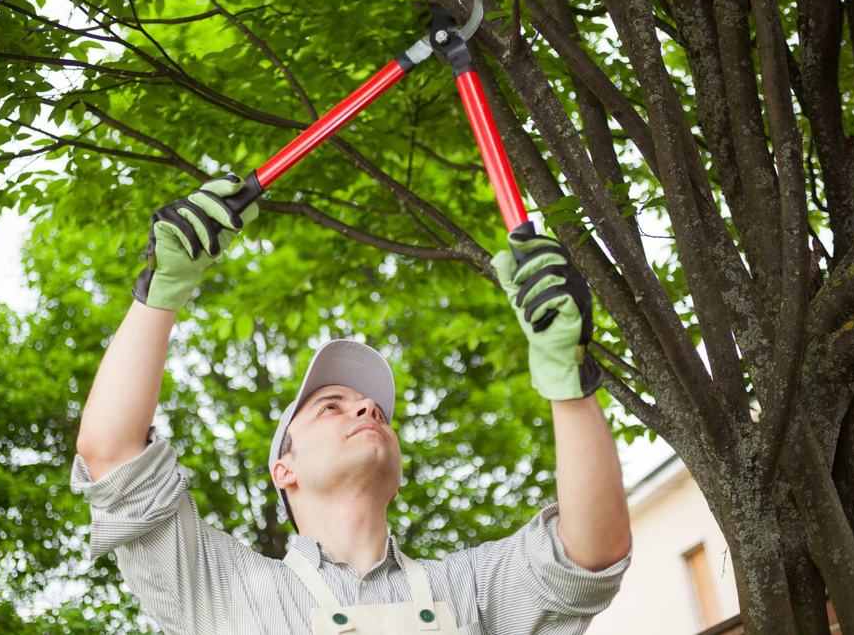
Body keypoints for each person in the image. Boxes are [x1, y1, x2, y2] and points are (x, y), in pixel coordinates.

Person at [72, 176, 632, 634]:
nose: (366, 410)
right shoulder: (223, 590)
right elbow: (112, 454)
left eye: (377, 412)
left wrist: (569, 380)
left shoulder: (470, 589)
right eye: (331, 407)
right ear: (282, 469)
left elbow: (592, 553)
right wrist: (161, 290)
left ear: (399, 475)